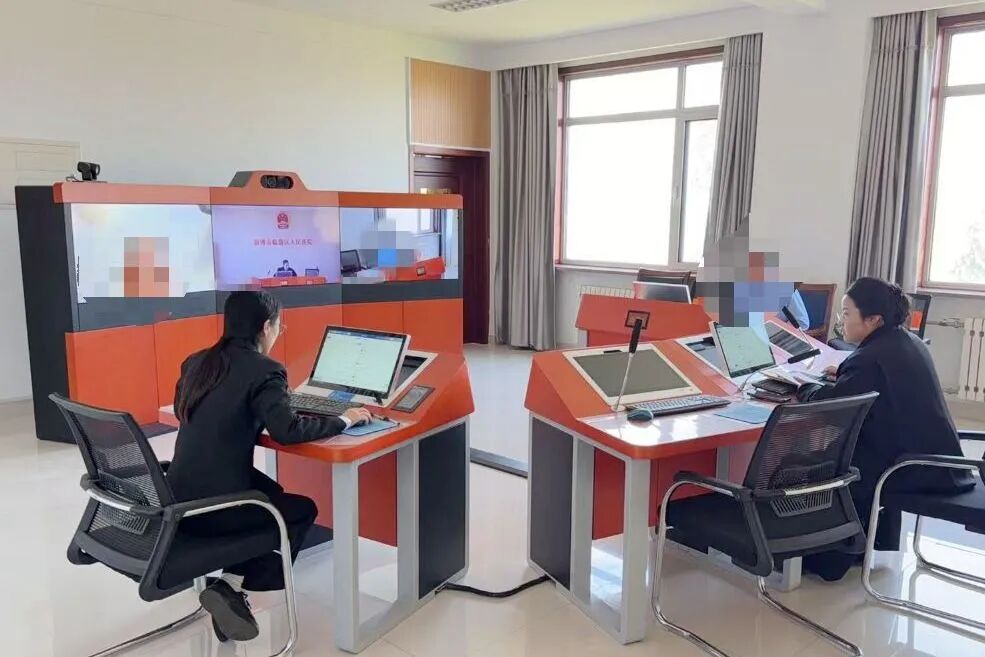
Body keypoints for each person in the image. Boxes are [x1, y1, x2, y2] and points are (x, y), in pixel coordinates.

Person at [168, 291, 371, 641]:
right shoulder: (266, 370)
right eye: (279, 326)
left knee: (273, 491)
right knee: (301, 510)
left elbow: (187, 411)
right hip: (217, 509)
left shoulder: (196, 362)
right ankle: (233, 586)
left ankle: (229, 587)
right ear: (266, 327)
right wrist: (344, 419)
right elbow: (287, 431)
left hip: (176, 500)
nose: (278, 332)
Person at [796, 277, 974, 581]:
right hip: (941, 463)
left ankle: (828, 557)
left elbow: (833, 407)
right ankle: (855, 546)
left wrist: (804, 387)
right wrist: (845, 373)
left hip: (914, 470)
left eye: (847, 314)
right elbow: (866, 381)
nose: (841, 321)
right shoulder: (905, 341)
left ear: (873, 320)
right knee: (857, 449)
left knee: (829, 458)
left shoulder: (870, 359)